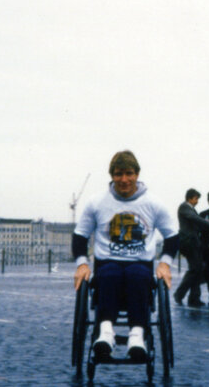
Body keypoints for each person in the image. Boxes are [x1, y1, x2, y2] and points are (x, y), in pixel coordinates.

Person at [73, 150, 178, 361]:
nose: (124, 180)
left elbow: (173, 236)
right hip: (107, 263)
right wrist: (82, 264)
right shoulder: (96, 202)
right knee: (109, 274)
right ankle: (105, 333)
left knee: (137, 276)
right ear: (111, 175)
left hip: (140, 264)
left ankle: (137, 336)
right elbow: (79, 236)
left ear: (137, 174)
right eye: (119, 174)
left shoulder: (153, 203)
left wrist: (165, 263)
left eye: (129, 173)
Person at [174, 188, 209, 307]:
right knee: (194, 269)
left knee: (198, 270)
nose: (197, 201)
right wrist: (208, 223)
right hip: (189, 243)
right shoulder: (184, 207)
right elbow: (195, 219)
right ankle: (179, 294)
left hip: (195, 242)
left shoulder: (191, 209)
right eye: (196, 198)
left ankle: (194, 298)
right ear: (190, 198)